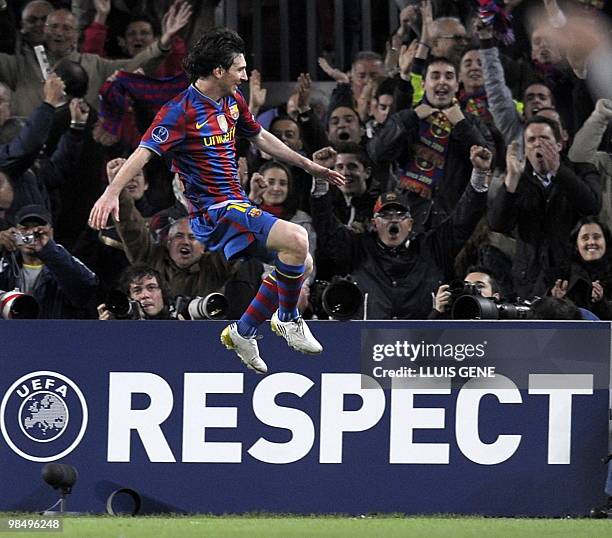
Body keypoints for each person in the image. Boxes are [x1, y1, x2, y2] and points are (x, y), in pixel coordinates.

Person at [88, 27, 344, 375]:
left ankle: (244, 331)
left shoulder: (232, 101)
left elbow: (262, 138)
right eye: (238, 68)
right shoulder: (179, 112)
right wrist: (111, 191)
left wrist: (309, 165)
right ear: (219, 71)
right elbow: (143, 153)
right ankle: (287, 319)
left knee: (302, 264)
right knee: (297, 239)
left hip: (236, 204)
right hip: (214, 213)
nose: (244, 74)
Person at [310, 143, 492, 319]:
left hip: (427, 344)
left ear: (411, 224)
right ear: (375, 223)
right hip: (373, 344)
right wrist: (320, 176)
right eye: (386, 215)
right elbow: (326, 225)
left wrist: (479, 173)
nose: (394, 219)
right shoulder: (358, 249)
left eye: (400, 214)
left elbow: (463, 219)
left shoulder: (433, 248)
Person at [488, 116, 602, 299]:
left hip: (571, 280)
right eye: (531, 140)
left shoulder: (582, 171)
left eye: (545, 139)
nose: (537, 145)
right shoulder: (518, 181)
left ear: (559, 145)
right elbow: (498, 224)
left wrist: (558, 169)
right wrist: (511, 181)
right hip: (529, 283)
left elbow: (591, 206)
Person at [0, 204, 98, 318]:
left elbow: (86, 288)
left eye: (38, 229)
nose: (31, 234)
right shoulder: (5, 264)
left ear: (51, 232)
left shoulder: (64, 261)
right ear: (14, 232)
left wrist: (49, 250)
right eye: (25, 228)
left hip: (52, 332)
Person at [550, 216, 612, 320]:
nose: (591, 242)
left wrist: (601, 303)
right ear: (576, 246)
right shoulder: (564, 276)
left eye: (596, 237)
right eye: (585, 238)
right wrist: (558, 302)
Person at [98, 263, 174, 320]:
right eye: (137, 290)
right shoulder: (120, 329)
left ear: (162, 293)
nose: (145, 295)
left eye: (151, 287)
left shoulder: (179, 320)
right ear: (128, 298)